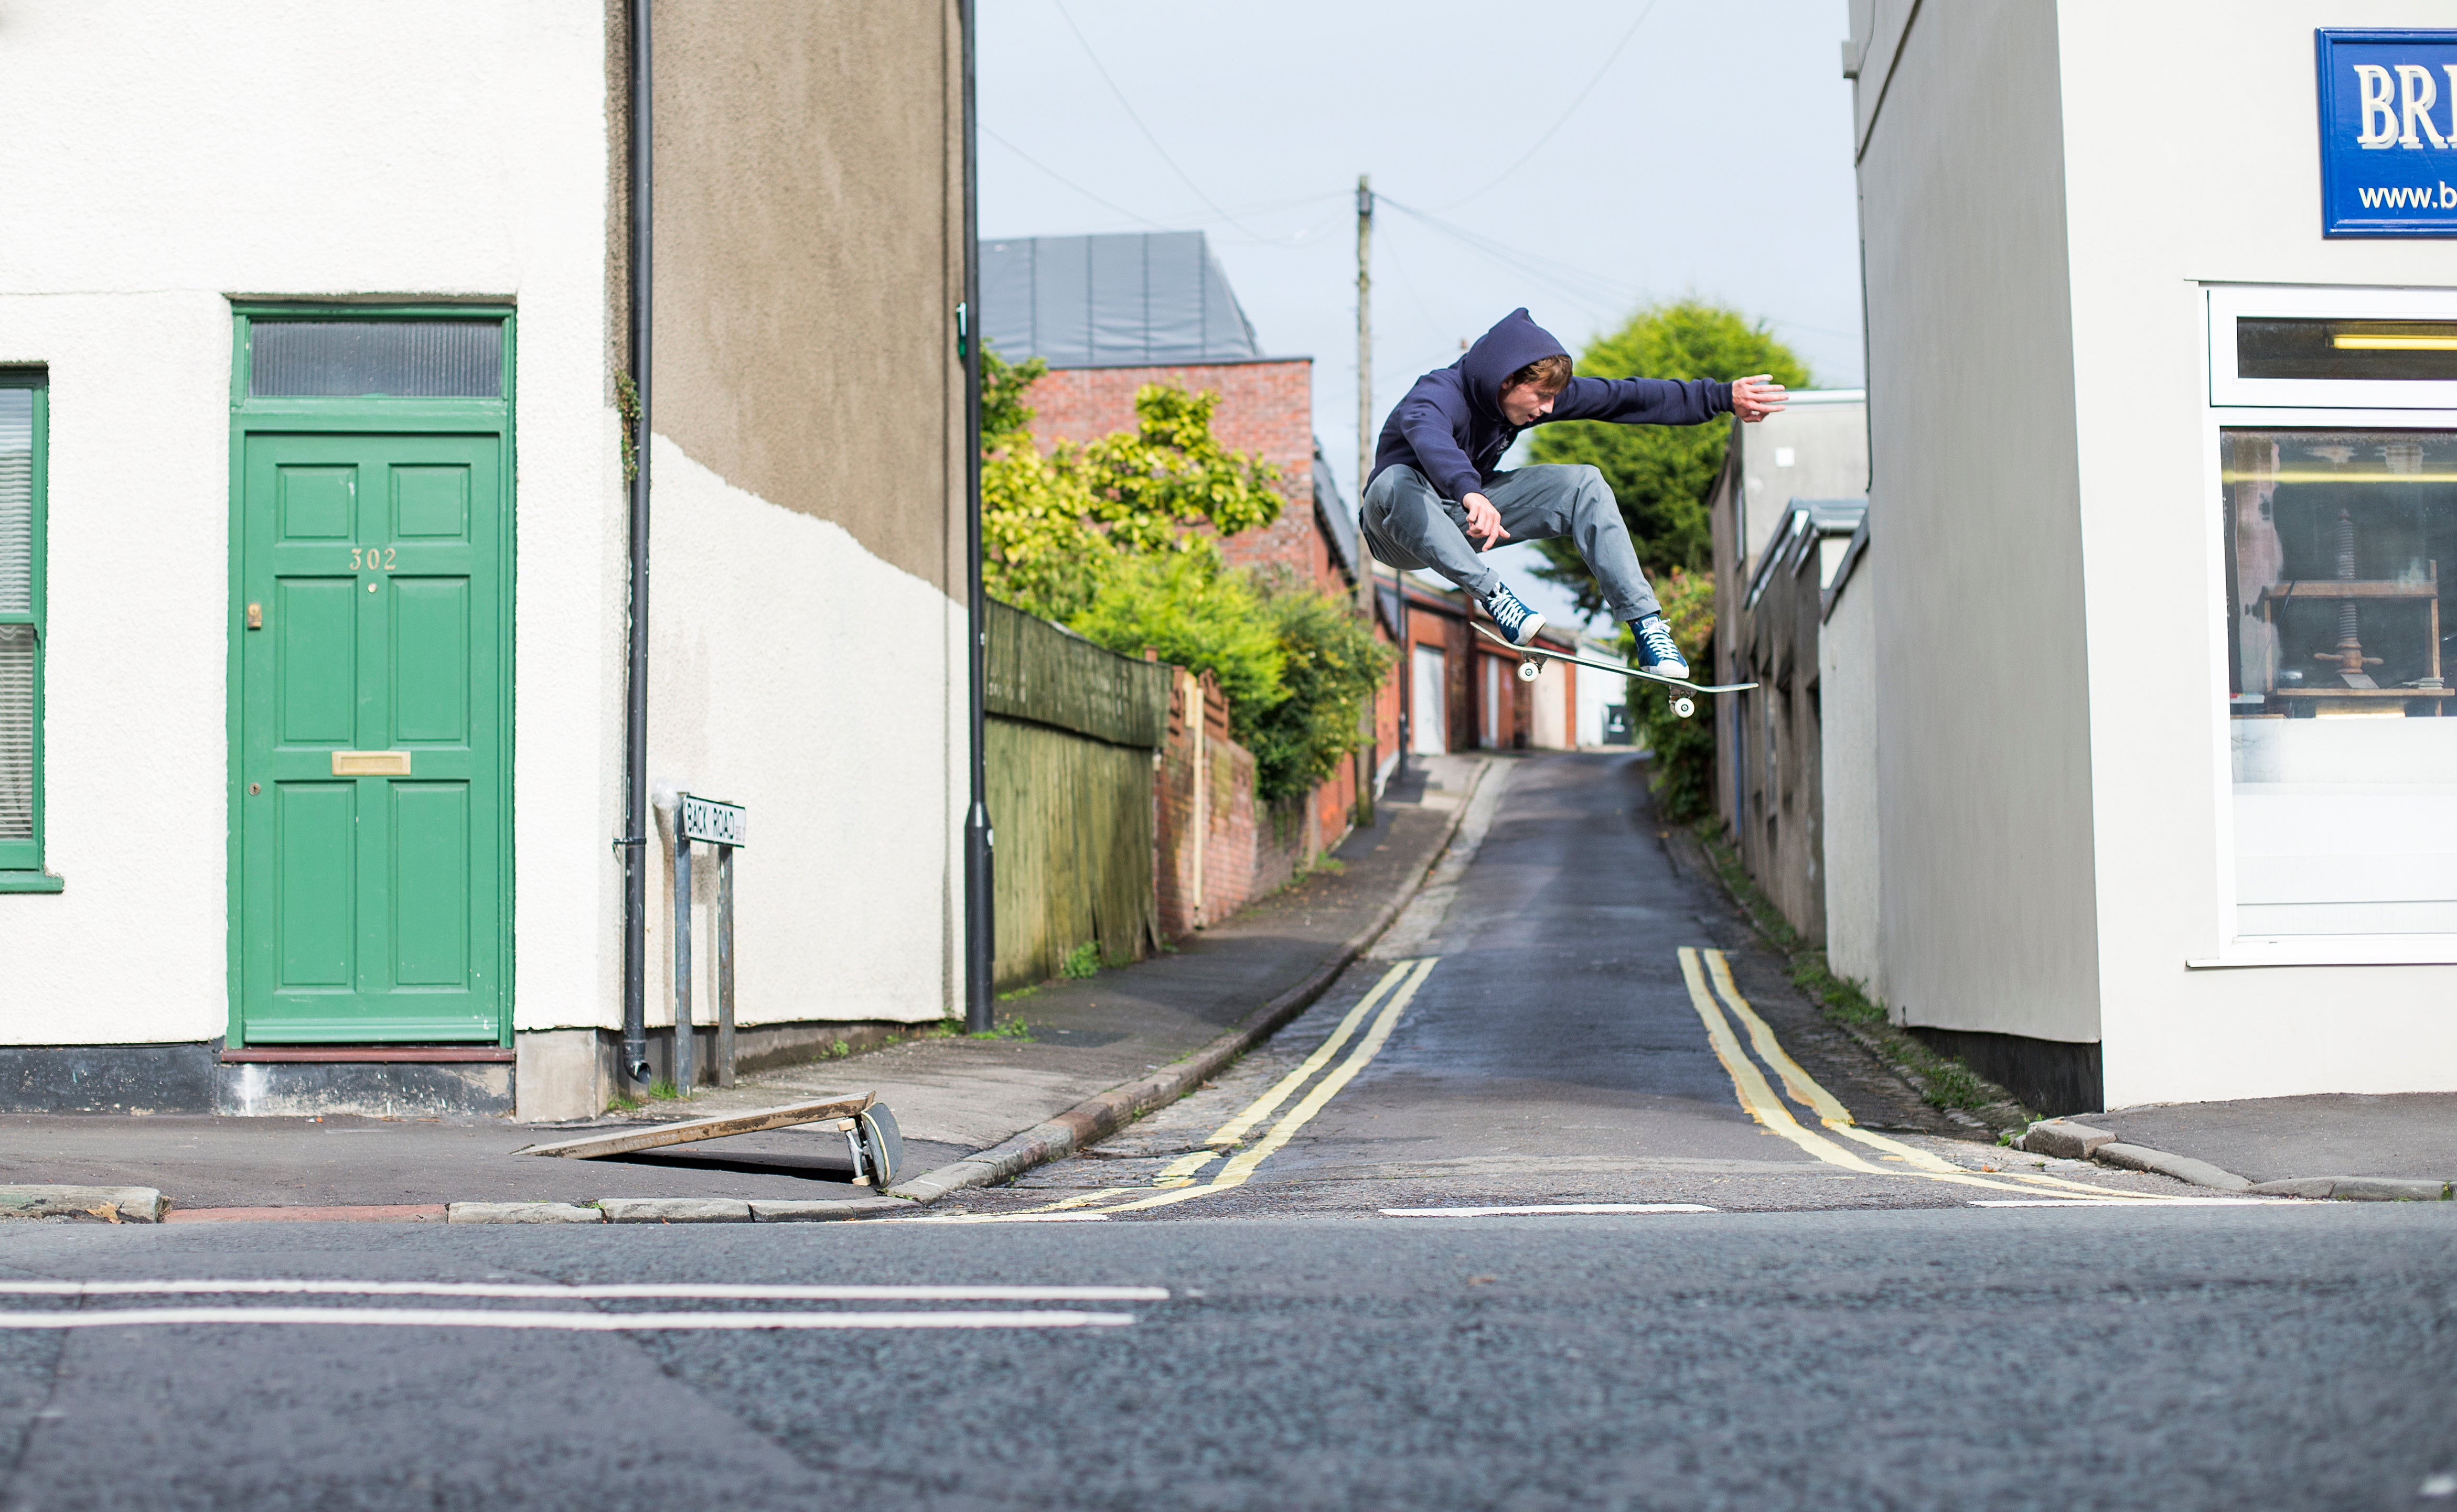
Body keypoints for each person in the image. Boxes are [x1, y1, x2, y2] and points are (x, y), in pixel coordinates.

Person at [1359, 307, 1786, 678]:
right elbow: (1428, 434)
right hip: (1395, 527)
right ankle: (1496, 598)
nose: (1546, 410)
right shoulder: (1436, 394)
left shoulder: (1529, 397)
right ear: (1505, 381)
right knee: (1395, 479)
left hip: (1462, 519)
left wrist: (1720, 397)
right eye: (1541, 397)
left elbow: (1624, 397)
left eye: (1552, 400)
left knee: (1584, 483)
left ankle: (1648, 628)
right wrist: (1469, 491)